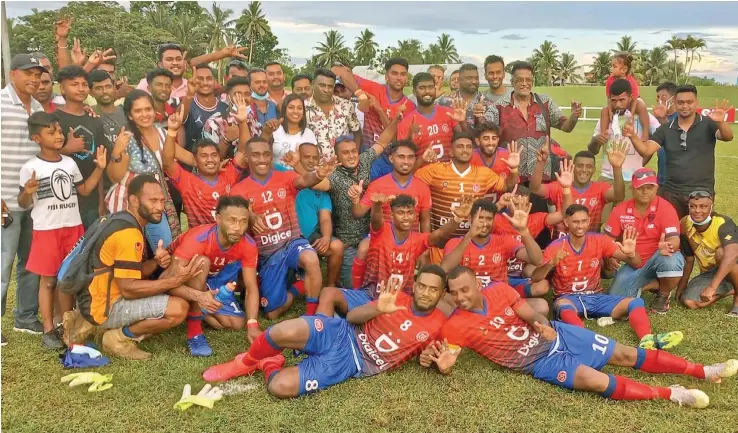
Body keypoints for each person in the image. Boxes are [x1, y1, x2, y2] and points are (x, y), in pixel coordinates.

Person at [421, 266, 738, 408]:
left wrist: (542, 323)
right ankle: (672, 394)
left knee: (627, 355)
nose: (461, 297)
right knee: (597, 382)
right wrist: (445, 365)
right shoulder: (455, 326)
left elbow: (525, 310)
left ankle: (703, 371)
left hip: (561, 335)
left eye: (465, 289)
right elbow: (450, 355)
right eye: (454, 293)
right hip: (539, 363)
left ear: (477, 285)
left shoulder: (500, 290)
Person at [202, 268, 449, 399]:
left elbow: (428, 357)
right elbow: (351, 318)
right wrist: (377, 307)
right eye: (423, 286)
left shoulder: (439, 324)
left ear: (441, 294)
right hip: (341, 332)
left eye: (433, 289)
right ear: (415, 285)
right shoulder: (396, 297)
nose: (426, 293)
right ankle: (244, 362)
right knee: (280, 331)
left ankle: (270, 362)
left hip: (352, 362)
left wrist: (440, 365)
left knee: (279, 386)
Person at [73, 175, 204, 360]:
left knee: (167, 294)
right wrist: (175, 281)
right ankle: (117, 338)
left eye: (161, 201)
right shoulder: (128, 233)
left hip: (94, 299)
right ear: (134, 200)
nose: (159, 207)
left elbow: (131, 272)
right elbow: (129, 290)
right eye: (152, 201)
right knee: (179, 308)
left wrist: (156, 263)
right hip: (105, 307)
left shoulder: (121, 220)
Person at [532, 204, 683, 350]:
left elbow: (636, 263)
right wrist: (550, 263)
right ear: (566, 222)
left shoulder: (599, 240)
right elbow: (535, 277)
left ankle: (646, 339)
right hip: (568, 298)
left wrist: (630, 253)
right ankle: (585, 339)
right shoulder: (556, 246)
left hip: (596, 297)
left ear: (589, 221)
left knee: (635, 302)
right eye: (575, 222)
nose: (580, 226)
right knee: (562, 305)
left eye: (584, 221)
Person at [18, 112, 108, 348]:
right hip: (47, 229)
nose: (58, 135)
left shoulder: (70, 163)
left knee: (69, 278)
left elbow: (85, 190)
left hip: (73, 228)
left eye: (58, 130)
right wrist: (28, 191)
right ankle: (48, 328)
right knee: (48, 281)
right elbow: (23, 204)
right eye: (51, 132)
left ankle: (66, 324)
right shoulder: (30, 167)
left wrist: (99, 168)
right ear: (37, 138)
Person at [229, 137, 337, 319]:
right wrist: (252, 216)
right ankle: (299, 285)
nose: (262, 159)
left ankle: (311, 316)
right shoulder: (239, 190)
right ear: (246, 158)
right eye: (255, 155)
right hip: (268, 255)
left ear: (271, 156)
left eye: (266, 154)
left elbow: (304, 180)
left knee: (310, 259)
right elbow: (242, 210)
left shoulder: (285, 177)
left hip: (292, 242)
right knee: (271, 312)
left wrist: (318, 174)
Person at [318, 194, 472, 316]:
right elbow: (376, 220)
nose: (406, 217)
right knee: (328, 293)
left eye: (410, 213)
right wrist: (377, 205)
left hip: (402, 300)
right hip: (371, 295)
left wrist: (458, 219)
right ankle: (321, 334)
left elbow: (440, 234)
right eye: (400, 213)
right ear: (391, 215)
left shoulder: (418, 240)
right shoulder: (381, 231)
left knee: (448, 311)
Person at [308, 117, 399, 289]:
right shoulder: (333, 177)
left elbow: (382, 141)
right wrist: (315, 172)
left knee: (378, 283)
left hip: (371, 238)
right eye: (345, 152)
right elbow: (312, 183)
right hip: (348, 243)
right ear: (337, 156)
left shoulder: (364, 160)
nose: (351, 156)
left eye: (353, 151)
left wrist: (397, 120)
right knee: (351, 288)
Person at [167, 196, 262, 356]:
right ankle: (195, 332)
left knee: (237, 323)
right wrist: (199, 296)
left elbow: (251, 287)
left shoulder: (248, 244)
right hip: (185, 278)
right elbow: (167, 281)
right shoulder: (198, 239)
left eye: (243, 221)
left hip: (212, 282)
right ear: (218, 219)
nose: (238, 228)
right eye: (232, 221)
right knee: (202, 262)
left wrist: (253, 324)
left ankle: (199, 308)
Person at [624, 86, 734, 219]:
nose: (685, 106)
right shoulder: (665, 129)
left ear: (696, 103)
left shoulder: (707, 124)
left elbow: (728, 137)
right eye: (681, 102)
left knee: (699, 234)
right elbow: (646, 150)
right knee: (672, 232)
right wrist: (632, 135)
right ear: (675, 104)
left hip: (701, 192)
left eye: (689, 102)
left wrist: (721, 123)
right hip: (671, 192)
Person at [414, 132, 520, 264]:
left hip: (472, 246)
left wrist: (514, 169)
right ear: (451, 152)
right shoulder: (434, 171)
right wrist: (421, 161)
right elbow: (408, 180)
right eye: (460, 146)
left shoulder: (484, 174)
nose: (465, 150)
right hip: (440, 245)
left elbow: (507, 186)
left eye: (469, 147)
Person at [1, 54, 47, 341]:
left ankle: (26, 317)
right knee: (3, 263)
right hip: (5, 199)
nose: (34, 79)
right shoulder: (2, 104)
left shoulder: (38, 107)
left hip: (33, 201)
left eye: (38, 74)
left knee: (31, 262)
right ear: (12, 73)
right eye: (28, 73)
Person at [441, 198, 547, 315]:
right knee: (442, 303)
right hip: (467, 303)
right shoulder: (456, 243)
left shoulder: (504, 241)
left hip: (499, 300)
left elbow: (538, 260)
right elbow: (445, 268)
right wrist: (469, 236)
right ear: (470, 219)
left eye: (489, 219)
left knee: (541, 306)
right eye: (480, 218)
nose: (485, 223)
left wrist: (523, 230)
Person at [106, 90, 182, 249]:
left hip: (154, 203)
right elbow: (115, 177)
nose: (144, 114)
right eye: (138, 110)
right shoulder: (126, 138)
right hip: (126, 204)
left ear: (154, 111)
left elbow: (187, 157)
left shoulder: (162, 133)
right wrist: (117, 152)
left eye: (148, 109)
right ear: (130, 115)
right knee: (128, 251)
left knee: (166, 248)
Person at [483, 61, 581, 185]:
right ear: (512, 82)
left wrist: (574, 116)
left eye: (528, 80)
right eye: (519, 80)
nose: (525, 83)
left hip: (541, 176)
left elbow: (566, 127)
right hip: (511, 176)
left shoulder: (545, 102)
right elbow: (483, 131)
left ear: (532, 81)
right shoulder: (499, 107)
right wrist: (477, 117)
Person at [604, 168, 684, 314]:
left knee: (672, 261)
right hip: (633, 262)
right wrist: (610, 255)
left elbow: (674, 238)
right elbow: (607, 239)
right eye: (640, 187)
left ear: (656, 188)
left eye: (649, 187)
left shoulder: (666, 208)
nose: (645, 191)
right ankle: (651, 284)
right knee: (614, 301)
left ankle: (663, 294)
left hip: (658, 257)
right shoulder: (620, 210)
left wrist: (668, 246)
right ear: (632, 189)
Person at [163, 95, 249, 227]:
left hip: (228, 240)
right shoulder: (187, 182)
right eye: (204, 156)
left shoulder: (229, 174)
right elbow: (168, 162)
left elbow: (243, 152)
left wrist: (243, 122)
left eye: (214, 155)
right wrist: (172, 131)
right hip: (201, 242)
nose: (210, 159)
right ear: (195, 161)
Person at [587, 79, 661, 226]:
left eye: (622, 100)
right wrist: (597, 140)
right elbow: (592, 150)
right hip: (607, 177)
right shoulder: (606, 117)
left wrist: (643, 158)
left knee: (627, 224)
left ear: (631, 97)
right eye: (614, 101)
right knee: (598, 222)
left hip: (632, 180)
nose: (618, 104)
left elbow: (661, 136)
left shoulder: (643, 116)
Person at [54, 66, 111, 229]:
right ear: (62, 88)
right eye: (74, 84)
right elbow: (45, 156)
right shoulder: (53, 119)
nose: (80, 89)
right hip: (62, 199)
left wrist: (101, 201)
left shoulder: (95, 120)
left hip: (91, 200)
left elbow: (99, 163)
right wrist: (66, 149)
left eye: (84, 84)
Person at [530, 146, 626, 234]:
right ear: (573, 167)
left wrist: (617, 168)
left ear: (594, 170)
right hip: (562, 245)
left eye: (589, 167)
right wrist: (540, 163)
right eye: (580, 165)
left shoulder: (600, 188)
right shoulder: (560, 186)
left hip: (589, 244)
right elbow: (535, 189)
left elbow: (619, 196)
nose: (584, 170)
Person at [490, 192, 566, 299]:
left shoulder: (534, 219)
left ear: (529, 206)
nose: (520, 208)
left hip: (521, 270)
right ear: (508, 204)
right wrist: (499, 204)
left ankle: (511, 296)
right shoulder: (497, 219)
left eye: (524, 204)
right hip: (498, 273)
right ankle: (508, 296)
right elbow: (480, 218)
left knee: (543, 286)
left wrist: (566, 189)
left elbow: (563, 214)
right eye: (516, 204)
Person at [331, 58, 414, 152]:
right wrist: (360, 94)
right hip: (368, 154)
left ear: (407, 78)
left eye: (403, 74)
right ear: (386, 76)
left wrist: (379, 110)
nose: (399, 78)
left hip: (390, 159)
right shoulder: (374, 89)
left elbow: (397, 142)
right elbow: (338, 70)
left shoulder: (410, 107)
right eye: (394, 73)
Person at [677, 191, 738, 316]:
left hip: (733, 266)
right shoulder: (685, 223)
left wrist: (712, 287)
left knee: (722, 253)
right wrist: (682, 287)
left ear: (711, 207)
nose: (697, 210)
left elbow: (733, 255)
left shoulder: (722, 222)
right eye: (693, 206)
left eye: (703, 206)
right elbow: (689, 258)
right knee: (689, 302)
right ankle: (730, 288)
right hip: (710, 273)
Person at [351, 140, 431, 232]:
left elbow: (425, 220)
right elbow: (358, 213)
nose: (406, 161)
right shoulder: (377, 185)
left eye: (410, 157)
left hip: (411, 243)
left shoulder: (422, 187)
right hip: (382, 242)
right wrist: (355, 199)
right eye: (401, 157)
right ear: (391, 159)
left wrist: (426, 244)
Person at [293, 142, 344, 287]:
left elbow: (325, 219)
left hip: (309, 237)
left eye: (314, 157)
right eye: (306, 156)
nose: (311, 160)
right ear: (298, 157)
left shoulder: (322, 191)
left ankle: (330, 286)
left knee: (337, 246)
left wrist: (327, 237)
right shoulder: (286, 176)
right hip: (286, 237)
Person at [397, 72, 467, 167]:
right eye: (422, 88)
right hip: (423, 176)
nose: (427, 91)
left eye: (430, 87)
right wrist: (409, 138)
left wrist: (462, 122)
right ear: (414, 91)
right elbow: (402, 158)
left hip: (449, 174)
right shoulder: (406, 122)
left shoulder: (448, 113)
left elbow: (465, 141)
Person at [304, 68, 362, 159]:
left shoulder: (346, 105)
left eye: (330, 86)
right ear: (313, 84)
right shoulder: (302, 108)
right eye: (322, 85)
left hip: (342, 168)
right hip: (314, 168)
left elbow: (357, 132)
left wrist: (355, 156)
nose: (326, 90)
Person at [599, 53, 649, 144]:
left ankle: (645, 135)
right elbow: (609, 98)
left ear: (624, 69)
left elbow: (634, 99)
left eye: (614, 67)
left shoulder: (631, 81)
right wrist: (610, 111)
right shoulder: (610, 80)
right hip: (615, 105)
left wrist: (631, 115)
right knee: (604, 111)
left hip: (630, 104)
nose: (611, 69)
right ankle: (604, 135)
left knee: (641, 104)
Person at [181, 66, 230, 156]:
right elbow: (178, 118)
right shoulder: (187, 105)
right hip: (192, 165)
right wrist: (189, 94)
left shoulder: (226, 108)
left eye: (209, 79)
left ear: (215, 82)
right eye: (200, 79)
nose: (205, 83)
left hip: (222, 164)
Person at [203, 76, 256, 159]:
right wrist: (226, 139)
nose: (242, 98)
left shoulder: (253, 120)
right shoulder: (214, 123)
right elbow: (210, 159)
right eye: (237, 94)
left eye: (247, 94)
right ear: (228, 97)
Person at [265, 94, 317, 171]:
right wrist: (266, 133)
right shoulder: (274, 129)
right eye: (291, 107)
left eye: (299, 108)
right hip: (276, 176)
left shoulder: (309, 134)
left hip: (301, 178)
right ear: (284, 110)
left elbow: (313, 160)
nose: (295, 111)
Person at [436, 63, 485, 130]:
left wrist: (478, 119)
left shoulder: (487, 104)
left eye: (476, 78)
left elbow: (490, 136)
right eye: (469, 78)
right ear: (460, 80)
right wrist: (433, 97)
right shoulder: (444, 102)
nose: (474, 81)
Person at [470, 123, 510, 194]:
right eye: (486, 139)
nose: (490, 143)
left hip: (502, 201)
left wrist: (514, 169)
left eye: (494, 138)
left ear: (498, 140)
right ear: (478, 141)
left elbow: (510, 187)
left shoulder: (507, 155)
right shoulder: (470, 157)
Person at [90, 70, 127, 145]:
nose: (105, 91)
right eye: (99, 88)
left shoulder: (127, 113)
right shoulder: (89, 113)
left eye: (108, 86)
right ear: (91, 93)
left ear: (114, 88)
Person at [652, 81, 678, 185]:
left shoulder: (682, 118)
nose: (660, 100)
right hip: (662, 178)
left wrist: (663, 119)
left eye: (664, 96)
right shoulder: (654, 120)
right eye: (658, 97)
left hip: (679, 179)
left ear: (674, 98)